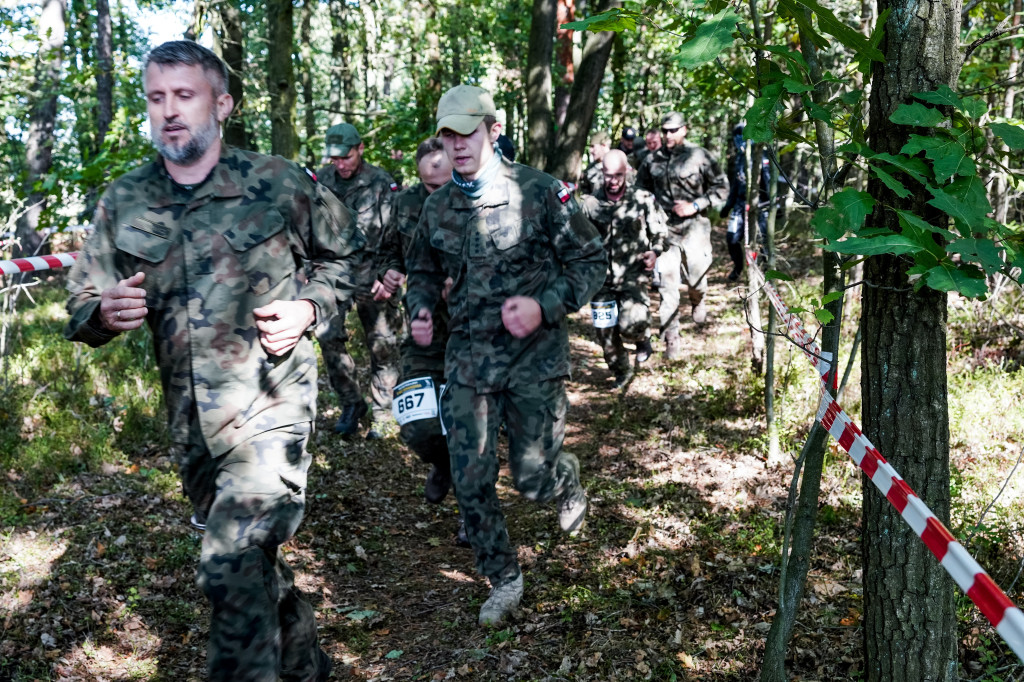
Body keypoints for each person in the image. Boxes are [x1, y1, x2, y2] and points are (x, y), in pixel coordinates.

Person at [63, 40, 361, 681]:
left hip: (272, 406)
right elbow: (81, 297)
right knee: (252, 569)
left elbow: (348, 260)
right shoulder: (126, 200)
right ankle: (308, 667)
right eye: (156, 98)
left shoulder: (279, 182)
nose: (169, 111)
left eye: (185, 95)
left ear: (221, 103)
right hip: (193, 428)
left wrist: (310, 308)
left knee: (227, 560)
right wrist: (99, 312)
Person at [405, 85, 606, 627]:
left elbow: (591, 261)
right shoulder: (437, 206)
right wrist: (420, 308)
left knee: (531, 478)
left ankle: (564, 481)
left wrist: (545, 306)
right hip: (467, 361)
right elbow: (422, 273)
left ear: (493, 131)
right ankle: (503, 577)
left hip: (533, 361)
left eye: (468, 132)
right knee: (469, 476)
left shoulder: (539, 193)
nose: (458, 145)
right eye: (448, 135)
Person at [373, 137, 469, 546]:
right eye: (429, 186)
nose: (437, 193)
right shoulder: (406, 203)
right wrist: (390, 273)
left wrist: (464, 282)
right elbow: (388, 251)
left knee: (467, 424)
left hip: (472, 330)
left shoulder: (481, 197)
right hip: (423, 325)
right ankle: (440, 462)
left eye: (444, 182)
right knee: (416, 424)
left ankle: (472, 515)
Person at [317, 122, 403, 439]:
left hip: (373, 272)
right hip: (333, 273)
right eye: (335, 158)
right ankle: (352, 403)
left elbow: (398, 235)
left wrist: (389, 275)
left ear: (361, 149)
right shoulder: (320, 181)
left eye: (346, 157)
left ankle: (383, 412)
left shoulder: (382, 182)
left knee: (382, 344)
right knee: (328, 336)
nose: (340, 164)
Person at [637, 111, 728, 353]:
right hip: (665, 231)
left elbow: (722, 187)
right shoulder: (651, 160)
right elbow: (640, 191)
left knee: (696, 280)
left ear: (684, 129)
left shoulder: (700, 156)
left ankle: (698, 300)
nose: (668, 134)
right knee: (667, 287)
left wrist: (696, 205)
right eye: (665, 130)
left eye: (673, 130)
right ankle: (671, 338)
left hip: (695, 228)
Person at [580, 150, 668, 388]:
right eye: (609, 175)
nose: (614, 180)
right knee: (605, 333)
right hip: (601, 281)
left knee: (632, 325)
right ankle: (621, 371)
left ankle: (642, 337)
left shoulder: (643, 199)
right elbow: (575, 240)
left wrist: (655, 251)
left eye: (619, 174)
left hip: (632, 276)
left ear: (627, 171)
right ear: (602, 173)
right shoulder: (590, 204)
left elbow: (660, 232)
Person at [721, 123, 781, 281]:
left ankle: (766, 273)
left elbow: (768, 182)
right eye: (736, 138)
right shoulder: (740, 157)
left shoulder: (761, 155)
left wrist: (775, 204)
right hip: (740, 206)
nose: (738, 141)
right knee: (732, 238)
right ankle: (738, 267)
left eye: (741, 137)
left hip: (760, 206)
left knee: (763, 241)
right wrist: (728, 205)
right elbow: (736, 183)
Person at [578, 131, 611, 195]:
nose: (590, 150)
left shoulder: (618, 164)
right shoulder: (591, 168)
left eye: (593, 146)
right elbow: (585, 191)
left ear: (603, 145)